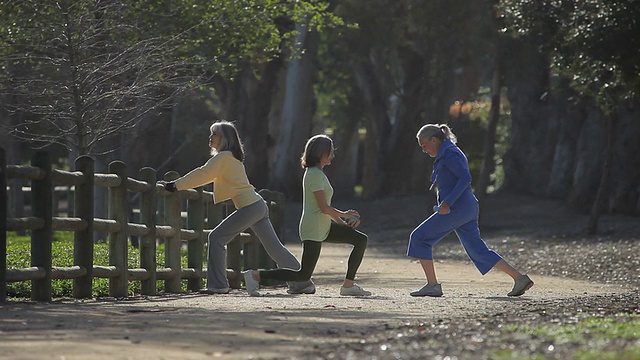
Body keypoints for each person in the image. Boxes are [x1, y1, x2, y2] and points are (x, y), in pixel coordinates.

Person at [159, 120, 314, 295]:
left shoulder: (224, 157)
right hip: (257, 205)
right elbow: (208, 175)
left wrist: (175, 185)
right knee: (274, 248)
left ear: (225, 138)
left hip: (251, 206)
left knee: (216, 237)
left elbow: (202, 174)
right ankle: (303, 284)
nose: (211, 137)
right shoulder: (230, 157)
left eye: (215, 134)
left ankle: (218, 285)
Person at [407, 124, 534, 297]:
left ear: (434, 140)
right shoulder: (448, 152)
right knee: (477, 250)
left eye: (424, 145)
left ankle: (432, 285)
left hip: (458, 208)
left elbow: (465, 178)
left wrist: (448, 203)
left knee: (419, 237)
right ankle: (520, 279)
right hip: (466, 208)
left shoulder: (450, 153)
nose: (424, 150)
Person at [243, 134, 371, 297]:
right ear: (320, 153)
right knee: (303, 274)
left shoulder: (318, 173)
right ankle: (255, 275)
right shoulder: (314, 175)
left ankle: (348, 285)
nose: (333, 155)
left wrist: (341, 222)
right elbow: (324, 208)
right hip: (314, 228)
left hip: (323, 225)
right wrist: (344, 215)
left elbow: (325, 209)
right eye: (330, 152)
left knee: (360, 240)